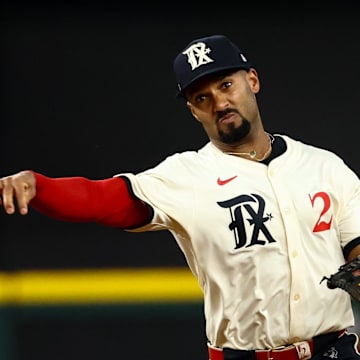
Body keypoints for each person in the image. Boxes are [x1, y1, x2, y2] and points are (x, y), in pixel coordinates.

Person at [1, 34, 360, 360]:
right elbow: (104, 200)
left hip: (336, 351)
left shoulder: (325, 167)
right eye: (202, 97)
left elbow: (356, 248)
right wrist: (40, 186)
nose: (219, 102)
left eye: (226, 85)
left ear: (252, 80)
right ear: (192, 110)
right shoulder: (186, 176)